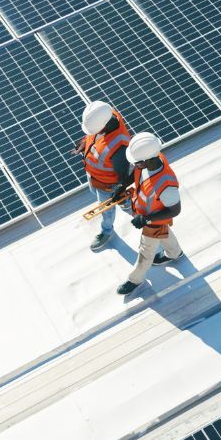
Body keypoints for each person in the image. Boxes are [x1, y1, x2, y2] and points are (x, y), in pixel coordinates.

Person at [117, 132, 184, 295]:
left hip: (152, 221)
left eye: (137, 163)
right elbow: (137, 173)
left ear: (148, 160)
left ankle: (135, 279)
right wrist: (123, 185)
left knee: (145, 253)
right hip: (150, 217)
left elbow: (175, 210)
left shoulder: (166, 185)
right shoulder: (150, 159)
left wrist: (146, 219)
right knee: (165, 233)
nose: (135, 166)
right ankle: (175, 253)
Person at [77, 101, 132, 251]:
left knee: (107, 211)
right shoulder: (104, 116)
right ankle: (126, 203)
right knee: (95, 193)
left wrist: (119, 190)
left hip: (108, 186)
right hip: (95, 177)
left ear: (105, 124)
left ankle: (107, 231)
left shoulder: (118, 146)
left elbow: (123, 176)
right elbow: (94, 137)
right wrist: (84, 143)